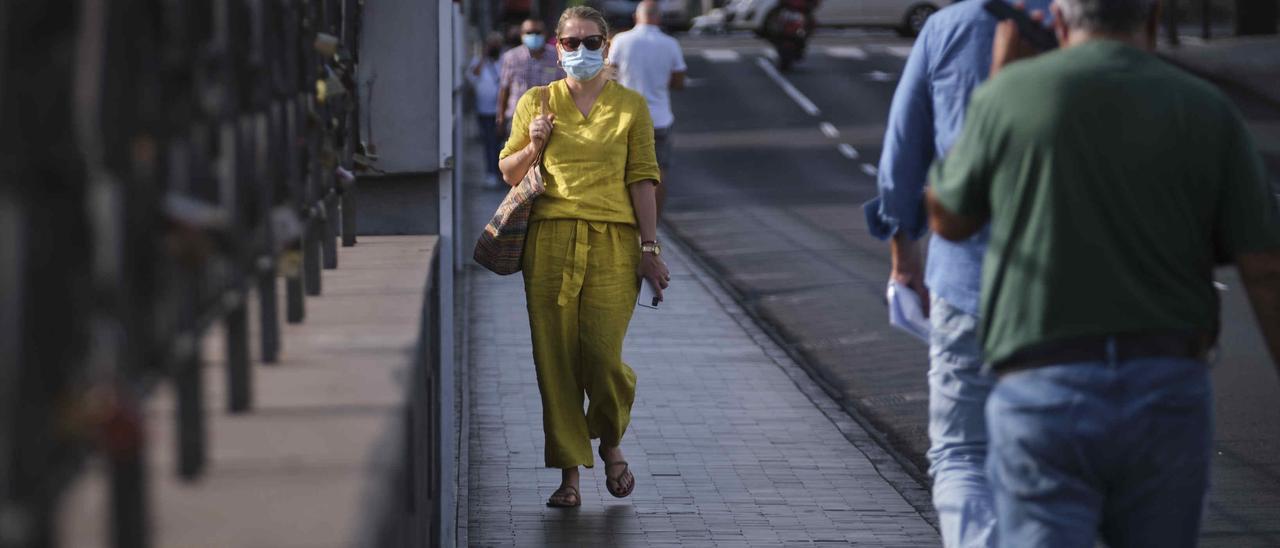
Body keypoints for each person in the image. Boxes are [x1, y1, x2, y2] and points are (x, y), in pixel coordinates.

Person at [926, 0, 1280, 544]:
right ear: (1155, 20)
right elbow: (1264, 268)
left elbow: (949, 217)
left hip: (1045, 384)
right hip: (1166, 383)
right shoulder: (1207, 108)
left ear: (1062, 22)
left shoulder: (1012, 96)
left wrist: (997, 84)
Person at [862, 0, 1049, 545]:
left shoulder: (950, 27)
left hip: (966, 280)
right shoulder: (1079, 24)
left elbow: (902, 156)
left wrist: (904, 259)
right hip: (1068, 294)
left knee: (963, 451)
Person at [497, 5, 669, 509]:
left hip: (613, 244)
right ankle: (570, 475)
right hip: (549, 241)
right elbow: (509, 172)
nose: (581, 51)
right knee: (556, 361)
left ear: (607, 45)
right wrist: (534, 145)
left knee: (601, 355)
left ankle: (610, 440)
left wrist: (650, 249)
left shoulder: (631, 106)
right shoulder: (537, 101)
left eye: (591, 42)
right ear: (557, 48)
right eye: (570, 43)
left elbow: (643, 180)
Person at [608, 1, 686, 211]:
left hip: (626, 119)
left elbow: (610, 77)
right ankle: (651, 230)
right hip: (660, 119)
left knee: (625, 172)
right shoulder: (670, 44)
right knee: (658, 174)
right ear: (658, 18)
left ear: (636, 16)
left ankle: (626, 221)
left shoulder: (621, 41)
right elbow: (679, 82)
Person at [497, 18, 564, 138]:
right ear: (522, 34)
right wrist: (500, 117)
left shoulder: (556, 56)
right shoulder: (511, 57)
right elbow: (504, 89)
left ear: (545, 34)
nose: (534, 36)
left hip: (549, 119)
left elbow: (564, 86)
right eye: (529, 33)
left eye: (537, 32)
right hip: (517, 117)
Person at [466, 33, 505, 188]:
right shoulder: (479, 61)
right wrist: (483, 57)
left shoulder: (504, 60)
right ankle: (491, 174)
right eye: (491, 44)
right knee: (489, 142)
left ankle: (500, 173)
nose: (494, 47)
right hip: (484, 110)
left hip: (501, 110)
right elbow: (471, 77)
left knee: (500, 143)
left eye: (496, 43)